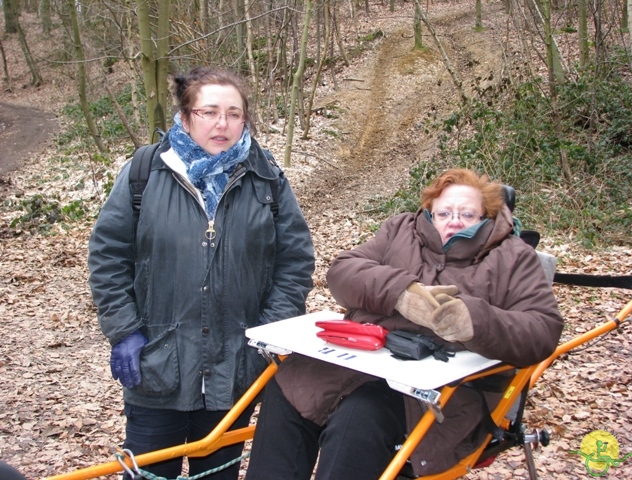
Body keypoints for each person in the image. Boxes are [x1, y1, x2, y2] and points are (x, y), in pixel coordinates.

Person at [245, 168, 563, 479]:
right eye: (444, 212)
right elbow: (343, 271)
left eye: (467, 215)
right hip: (361, 361)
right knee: (289, 386)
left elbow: (543, 328)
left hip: (440, 392)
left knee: (360, 418)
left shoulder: (512, 256)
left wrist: (473, 321)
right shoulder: (400, 231)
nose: (454, 220)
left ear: (486, 217)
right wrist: (402, 294)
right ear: (429, 211)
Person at [88, 66, 315, 479]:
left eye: (233, 113)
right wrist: (123, 330)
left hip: (236, 368)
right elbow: (108, 255)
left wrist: (269, 327)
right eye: (209, 112)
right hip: (156, 365)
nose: (222, 123)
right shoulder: (144, 173)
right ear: (187, 115)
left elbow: (294, 262)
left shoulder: (268, 180)